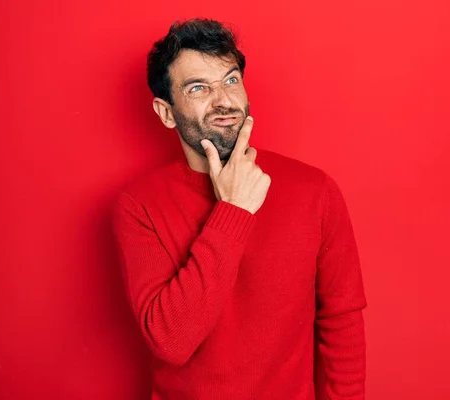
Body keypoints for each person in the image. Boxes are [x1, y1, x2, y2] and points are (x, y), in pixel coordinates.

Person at [112, 18, 367, 400]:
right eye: (199, 87)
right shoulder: (138, 206)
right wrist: (234, 210)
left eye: (231, 80)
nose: (224, 101)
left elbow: (341, 323)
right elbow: (170, 341)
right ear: (166, 112)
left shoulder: (315, 190)